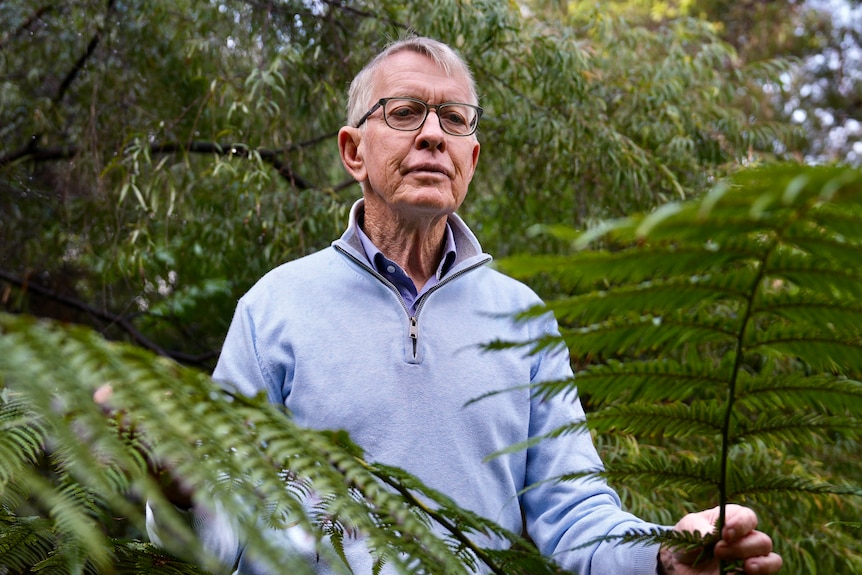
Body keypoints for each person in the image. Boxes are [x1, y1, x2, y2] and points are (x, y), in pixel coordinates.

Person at [147, 35, 782, 575]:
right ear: (353, 152)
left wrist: (662, 557)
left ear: (470, 159)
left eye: (454, 119)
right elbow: (225, 531)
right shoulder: (274, 308)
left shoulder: (522, 317)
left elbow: (573, 512)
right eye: (404, 112)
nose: (432, 134)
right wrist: (175, 490)